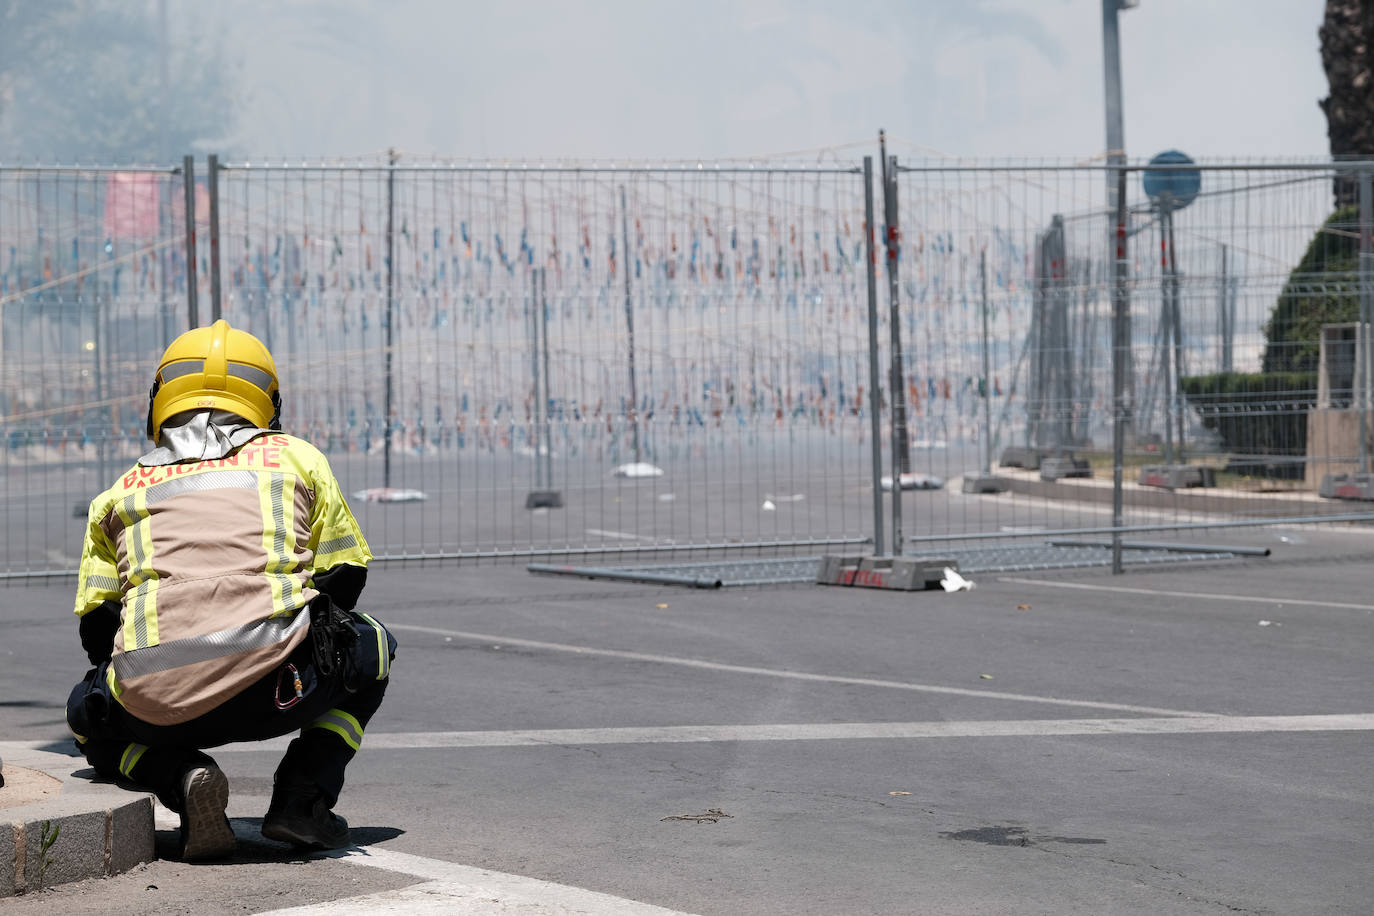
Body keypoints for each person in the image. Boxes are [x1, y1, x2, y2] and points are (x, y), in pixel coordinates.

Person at [65, 319, 396, 861]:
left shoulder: (117, 495)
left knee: (86, 712)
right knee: (372, 645)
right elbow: (345, 579)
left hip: (158, 706)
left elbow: (98, 634)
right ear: (268, 401)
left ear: (159, 400)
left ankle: (179, 775)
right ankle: (302, 801)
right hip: (279, 686)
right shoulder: (297, 458)